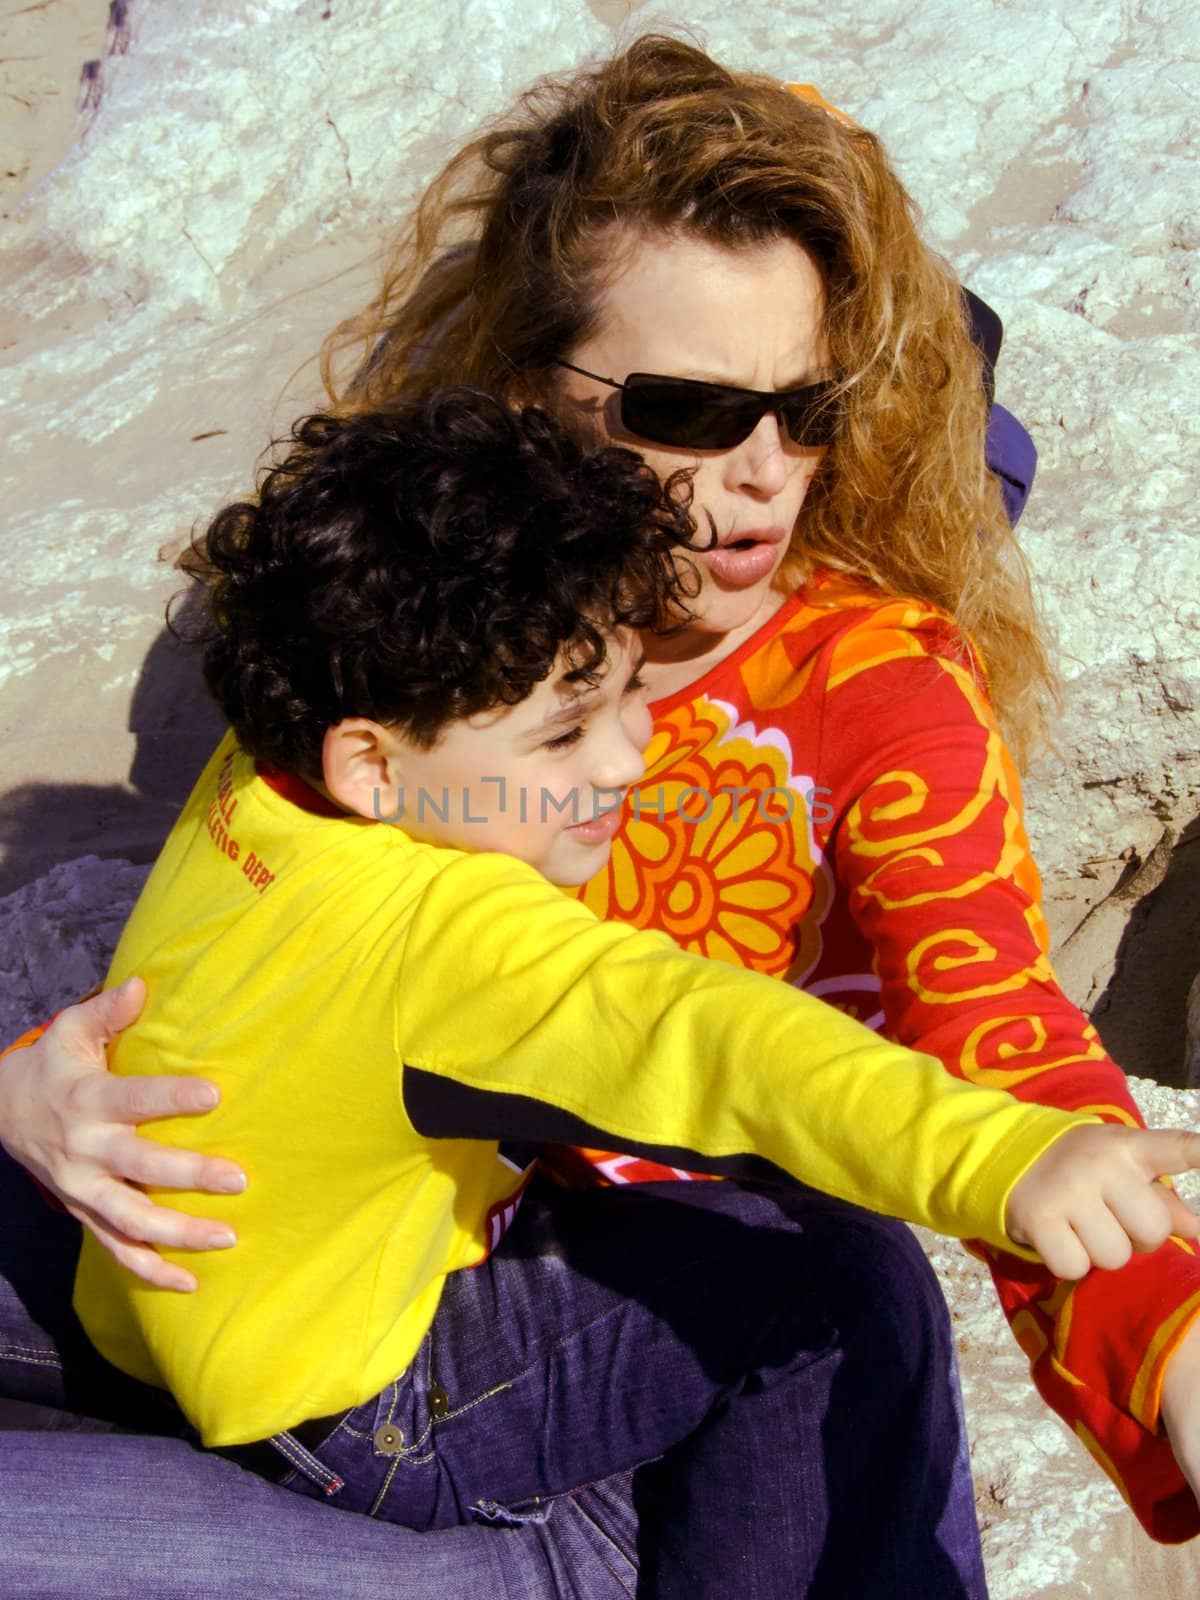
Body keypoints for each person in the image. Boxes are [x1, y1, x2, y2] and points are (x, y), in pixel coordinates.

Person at [2, 29, 1199, 1591]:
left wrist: (1168, 1341)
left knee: (844, 1277)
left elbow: (979, 1029)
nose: (765, 476)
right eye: (690, 408)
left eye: (812, 406)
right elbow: (232, 907)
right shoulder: (454, 599)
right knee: (72, 918)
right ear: (526, 390)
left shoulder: (876, 700)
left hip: (595, 1347)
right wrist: (32, 1090)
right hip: (345, 1231)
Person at [70, 385, 1194, 1492]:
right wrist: (1007, 1157)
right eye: (565, 731)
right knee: (835, 1273)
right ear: (372, 766)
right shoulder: (456, 940)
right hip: (349, 1408)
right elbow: (719, 1041)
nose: (624, 758)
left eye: (627, 693)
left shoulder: (266, 767)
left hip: (143, 1298)